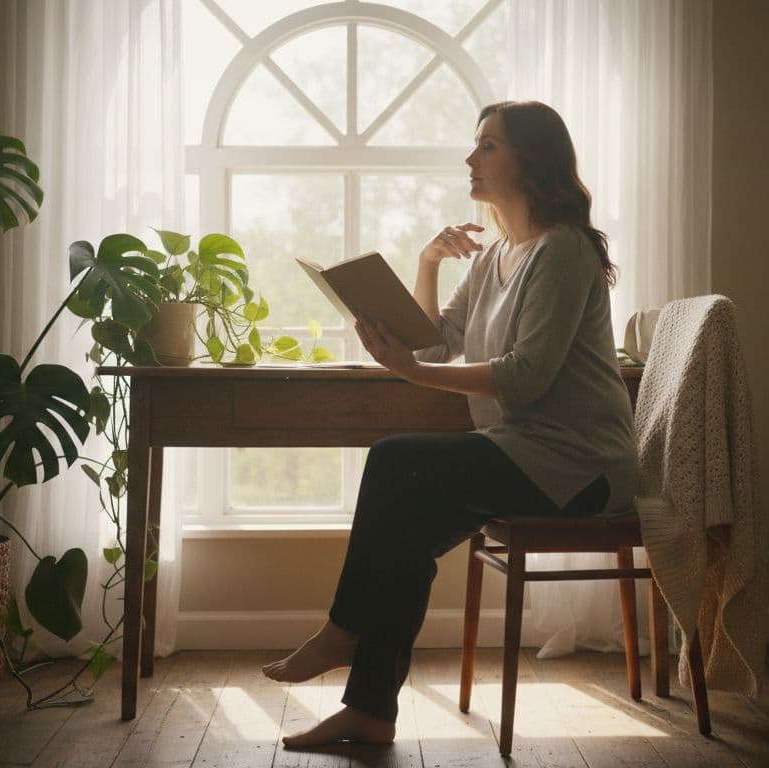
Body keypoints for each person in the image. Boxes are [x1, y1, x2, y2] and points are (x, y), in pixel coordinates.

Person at [261, 100, 639, 748]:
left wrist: (411, 371)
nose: (471, 158)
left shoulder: (565, 252)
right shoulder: (496, 258)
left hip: (582, 468)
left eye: (487, 145)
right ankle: (372, 712)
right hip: (522, 453)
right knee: (403, 533)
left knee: (391, 460)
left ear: (530, 161)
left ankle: (343, 632)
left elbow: (522, 376)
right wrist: (429, 264)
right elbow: (438, 345)